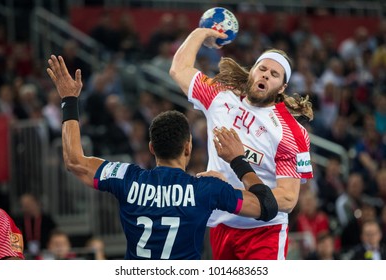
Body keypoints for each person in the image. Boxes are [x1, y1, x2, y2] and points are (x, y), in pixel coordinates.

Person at [46, 55, 276, 260]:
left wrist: (69, 99)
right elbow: (266, 207)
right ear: (188, 147)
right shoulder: (207, 189)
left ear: (151, 148)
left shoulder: (128, 178)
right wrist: (238, 160)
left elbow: (74, 160)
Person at [170, 27, 314, 259]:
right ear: (252, 72)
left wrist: (226, 192)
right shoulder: (220, 96)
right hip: (219, 224)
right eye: (262, 68)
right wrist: (201, 32)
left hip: (264, 230)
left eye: (274, 75)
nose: (266, 75)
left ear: (282, 88)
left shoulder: (292, 132)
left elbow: (288, 199)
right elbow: (179, 69)